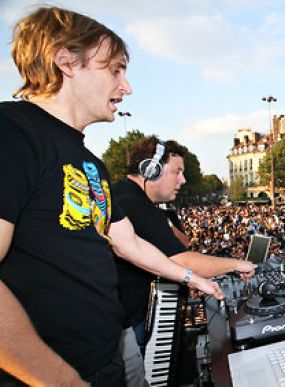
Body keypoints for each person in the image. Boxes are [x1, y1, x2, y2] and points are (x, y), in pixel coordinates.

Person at [0, 7, 221, 386]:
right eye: (115, 69)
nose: (127, 86)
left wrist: (190, 276)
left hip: (104, 360)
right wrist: (60, 379)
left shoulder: (90, 162)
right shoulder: (12, 133)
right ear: (67, 62)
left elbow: (128, 242)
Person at [114, 136, 255, 386]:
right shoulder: (133, 202)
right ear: (151, 169)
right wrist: (236, 263)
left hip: (123, 319)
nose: (183, 180)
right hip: (115, 329)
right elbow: (182, 260)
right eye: (177, 172)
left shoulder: (127, 196)